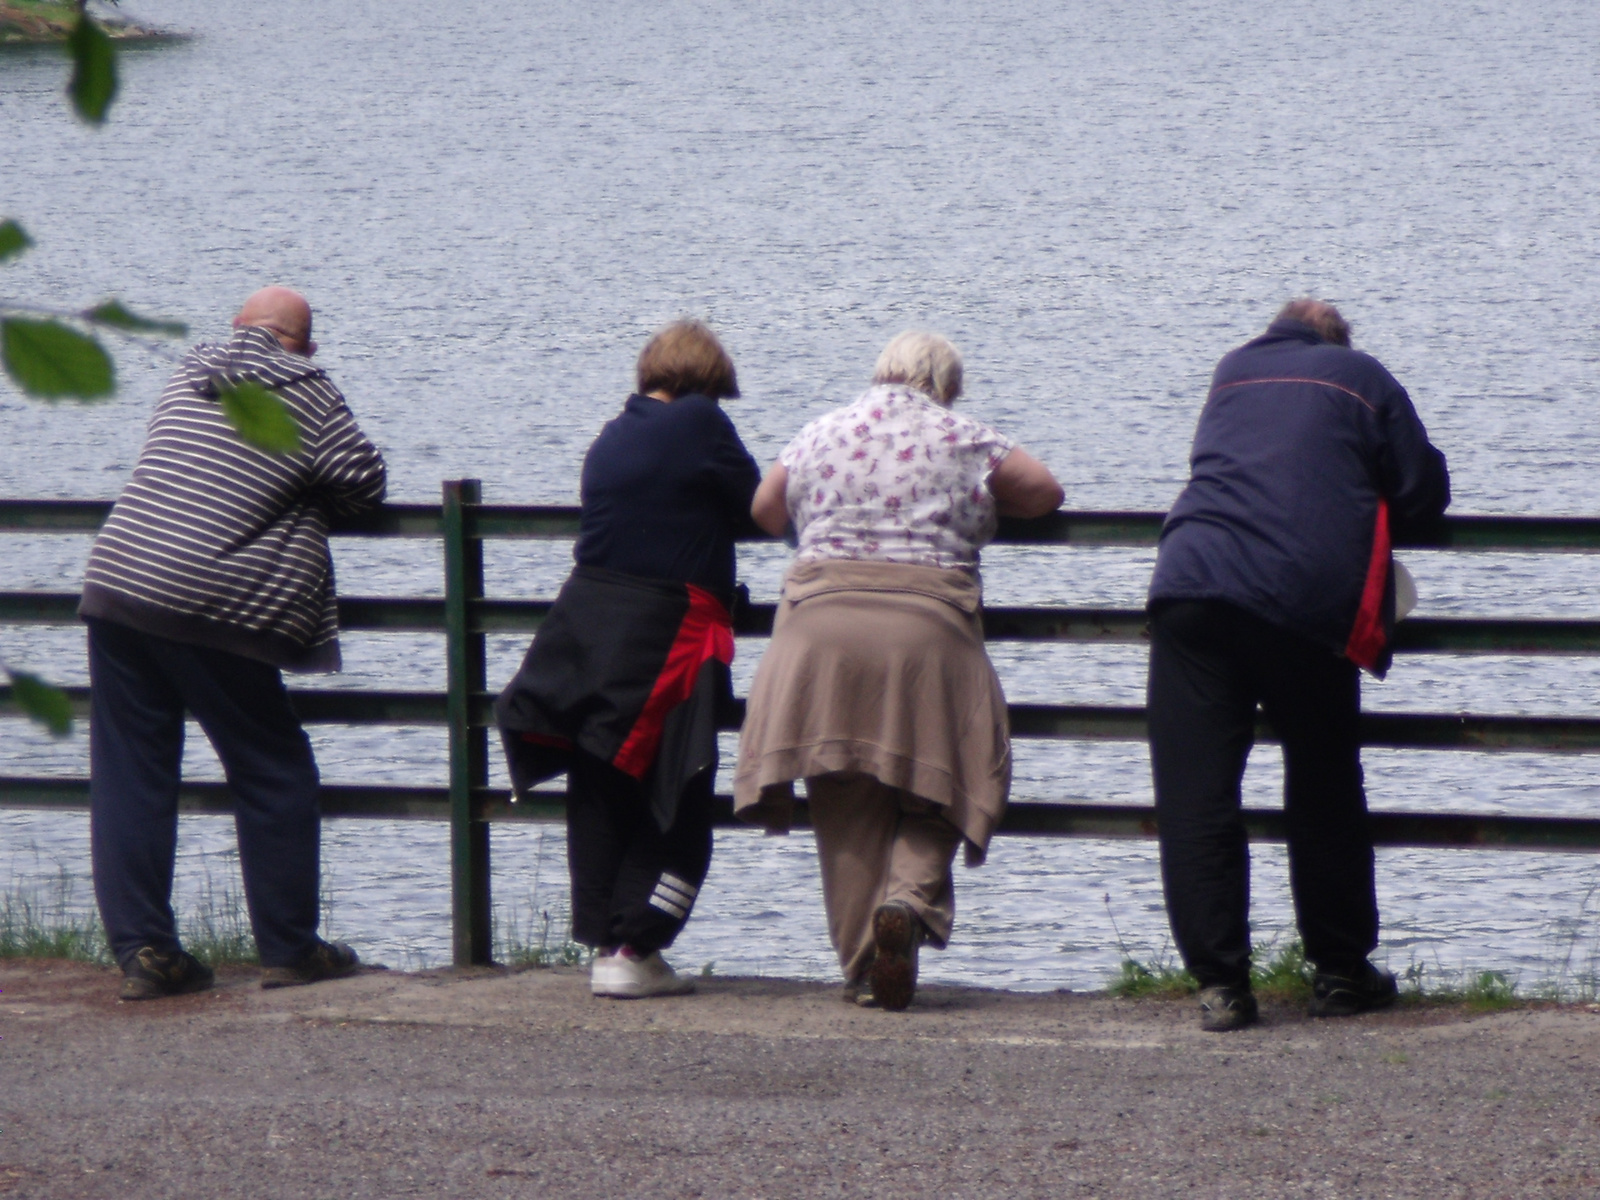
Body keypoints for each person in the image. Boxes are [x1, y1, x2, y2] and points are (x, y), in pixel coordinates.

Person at [735, 331, 1063, 1010]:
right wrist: (986, 510)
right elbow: (1045, 491)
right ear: (944, 383)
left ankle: (862, 971)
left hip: (817, 631)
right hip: (924, 629)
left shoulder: (820, 431)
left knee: (844, 795)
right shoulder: (963, 434)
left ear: (880, 371)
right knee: (954, 775)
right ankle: (907, 905)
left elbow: (765, 510)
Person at [1146, 299, 1450, 1031]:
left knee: (1197, 796)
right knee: (1322, 783)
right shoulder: (1359, 375)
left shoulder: (1232, 372)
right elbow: (1423, 493)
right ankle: (1341, 973)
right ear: (1336, 339)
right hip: (1302, 598)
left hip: (1192, 587)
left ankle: (1221, 986)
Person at [80, 286, 387, 999]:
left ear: (236, 328)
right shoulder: (305, 388)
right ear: (303, 346)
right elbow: (365, 481)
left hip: (117, 581)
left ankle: (148, 955)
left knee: (131, 775)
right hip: (207, 599)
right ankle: (289, 948)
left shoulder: (189, 370)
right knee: (272, 767)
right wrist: (308, 496)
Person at [495, 320, 760, 999]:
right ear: (709, 379)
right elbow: (759, 507)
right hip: (666, 635)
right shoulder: (703, 423)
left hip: (586, 626)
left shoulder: (611, 436)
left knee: (603, 780)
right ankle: (635, 942)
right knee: (679, 790)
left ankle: (605, 942)